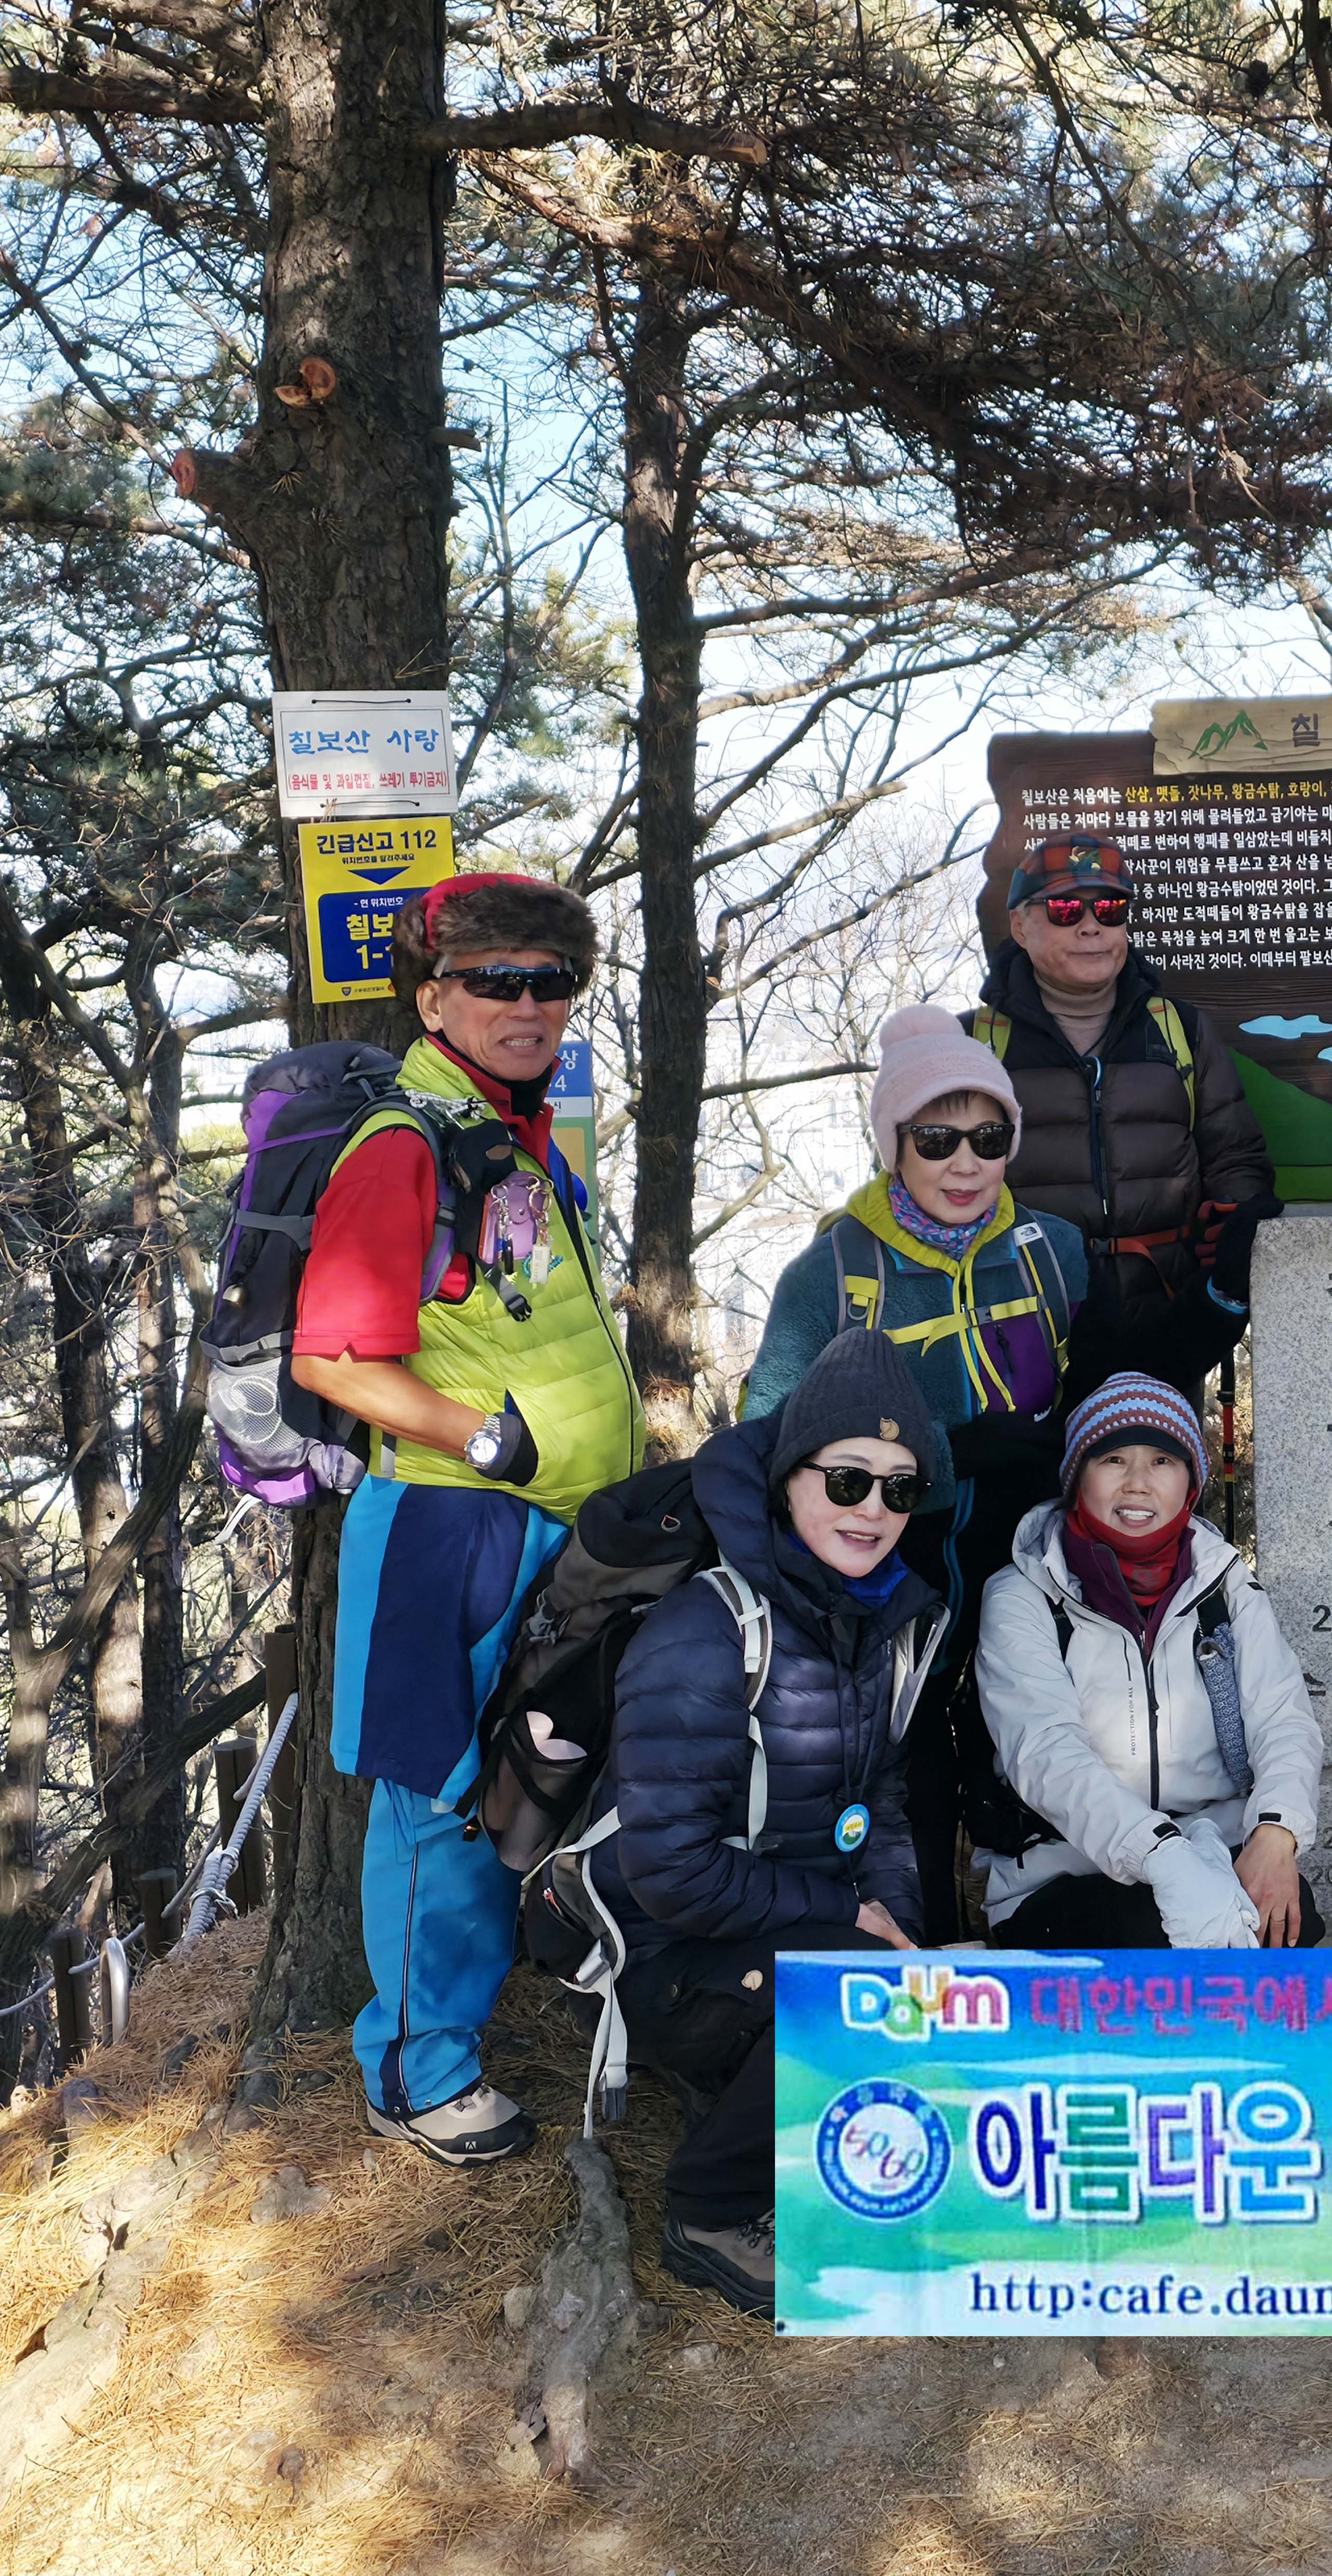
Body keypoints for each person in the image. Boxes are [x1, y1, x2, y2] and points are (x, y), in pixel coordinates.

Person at [291, 873, 640, 2165]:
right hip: (452, 1528)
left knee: (533, 1776)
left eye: (553, 981)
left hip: (552, 1523)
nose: (529, 1004)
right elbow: (333, 1357)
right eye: (497, 980)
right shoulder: (404, 1146)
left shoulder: (520, 1133)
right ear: (433, 999)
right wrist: (478, 1434)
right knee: (435, 1798)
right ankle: (414, 2070)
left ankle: (485, 2010)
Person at [596, 1332, 945, 2311]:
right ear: (790, 1479)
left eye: (899, 1490)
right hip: (659, 1957)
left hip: (772, 1930)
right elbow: (668, 1871)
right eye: (847, 1481)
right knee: (864, 1985)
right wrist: (850, 1925)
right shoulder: (709, 1630)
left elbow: (881, 1811)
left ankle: (764, 2077)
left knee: (901, 1982)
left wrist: (898, 1925)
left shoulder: (878, 1624)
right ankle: (709, 2210)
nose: (872, 1510)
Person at [741, 1006, 1094, 1933]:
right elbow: (770, 1427)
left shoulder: (1054, 1253)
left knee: (1032, 1739)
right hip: (892, 1551)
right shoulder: (830, 1272)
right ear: (893, 1144)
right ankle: (928, 1945)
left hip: (1028, 1551)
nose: (965, 1162)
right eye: (936, 1139)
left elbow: (1110, 1384)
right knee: (910, 1756)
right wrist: (945, 1451)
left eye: (989, 1137)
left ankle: (1043, 1938)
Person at [972, 1373, 1325, 1946]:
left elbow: (1283, 1716)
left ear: (1190, 1482)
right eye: (1113, 1458)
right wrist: (1163, 1856)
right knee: (1151, 1932)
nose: (1138, 1483)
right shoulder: (1024, 1593)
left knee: (1289, 1918)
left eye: (1162, 1461)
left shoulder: (1224, 1587)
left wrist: (1275, 1832)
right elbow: (1047, 1753)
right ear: (1077, 1478)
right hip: (1061, 1870)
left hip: (1215, 1849)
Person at [972, 833, 1279, 1395]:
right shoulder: (974, 1044)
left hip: (1169, 1318)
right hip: (1022, 1321)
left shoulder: (1179, 1030)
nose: (1091, 926)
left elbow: (1234, 1155)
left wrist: (1225, 1263)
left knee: (1156, 1453)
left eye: (1110, 908)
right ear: (1019, 926)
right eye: (1066, 909)